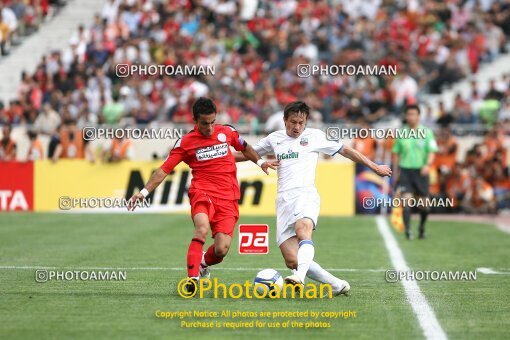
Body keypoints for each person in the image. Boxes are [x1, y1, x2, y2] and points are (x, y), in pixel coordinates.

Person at [235, 101, 392, 295]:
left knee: (303, 230)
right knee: (292, 259)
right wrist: (215, 157)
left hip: (305, 194)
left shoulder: (315, 136)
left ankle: (299, 277)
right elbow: (247, 154)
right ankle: (337, 285)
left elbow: (346, 150)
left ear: (306, 121)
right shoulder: (274, 139)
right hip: (284, 200)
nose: (297, 127)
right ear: (284, 120)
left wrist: (375, 167)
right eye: (293, 122)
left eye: (301, 122)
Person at [127, 97, 278, 294]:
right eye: (205, 123)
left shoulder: (227, 132)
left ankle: (203, 263)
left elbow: (246, 149)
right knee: (202, 228)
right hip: (202, 192)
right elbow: (163, 170)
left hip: (228, 197)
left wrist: (261, 163)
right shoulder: (185, 143)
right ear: (195, 121)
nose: (209, 127)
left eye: (212, 122)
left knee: (221, 249)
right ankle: (192, 280)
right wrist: (144, 192)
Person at [392, 105, 438, 240]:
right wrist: (395, 173)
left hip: (421, 171)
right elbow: (396, 153)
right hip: (405, 170)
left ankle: (422, 227)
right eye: (408, 114)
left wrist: (427, 165)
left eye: (413, 114)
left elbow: (432, 151)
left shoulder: (427, 132)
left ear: (418, 116)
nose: (411, 117)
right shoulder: (401, 133)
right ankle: (408, 231)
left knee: (425, 206)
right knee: (406, 202)